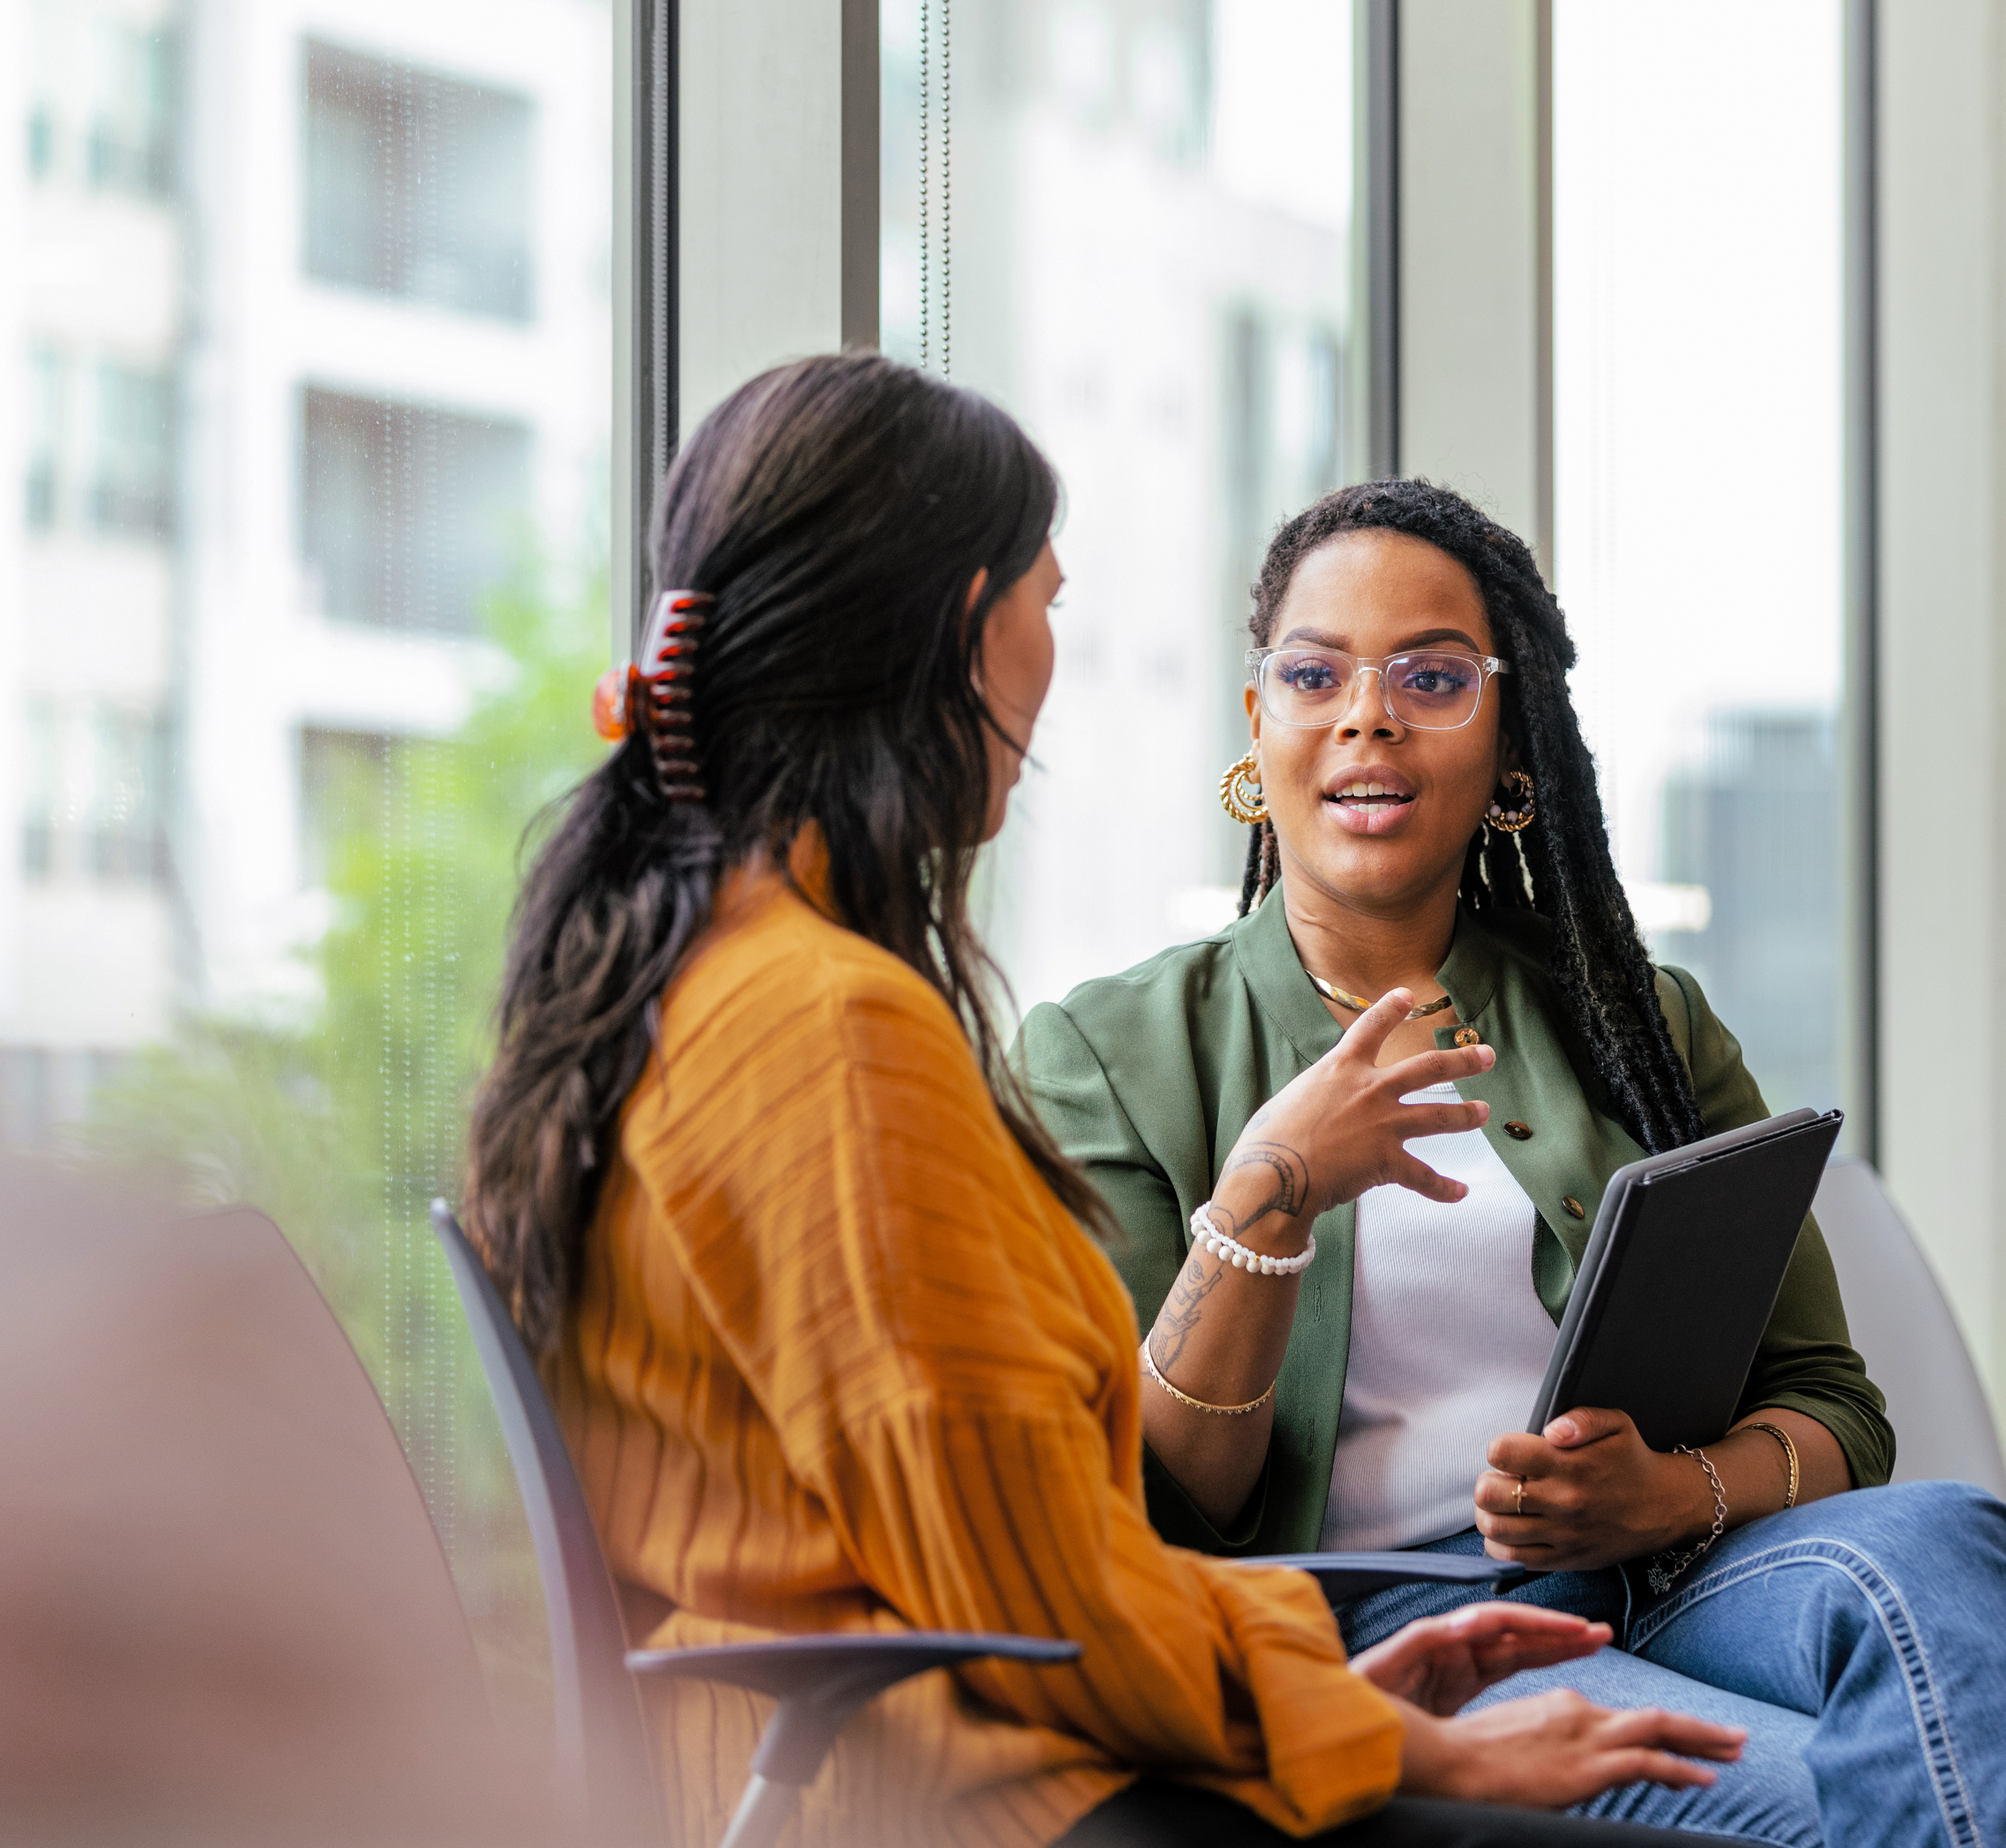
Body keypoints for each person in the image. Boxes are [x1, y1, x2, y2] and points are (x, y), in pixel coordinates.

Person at [458, 355, 1750, 1848]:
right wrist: (1394, 1744)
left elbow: (1025, 1559)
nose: (1366, 723)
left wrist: (1336, 1697)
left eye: (1431, 678)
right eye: (1049, 604)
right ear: (967, 632)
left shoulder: (701, 984)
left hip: (928, 1747)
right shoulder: (830, 1035)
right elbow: (1030, 1589)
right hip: (959, 1795)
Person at [1015, 480, 2006, 1848]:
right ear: (1257, 727)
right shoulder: (1102, 1050)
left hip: (1696, 1572)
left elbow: (1832, 1411)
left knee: (1958, 1543)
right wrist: (1270, 1187)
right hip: (1400, 1617)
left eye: (1431, 676)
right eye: (1312, 673)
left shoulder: (1639, 1023)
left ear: (1511, 750)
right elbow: (1164, 1499)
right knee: (1829, 1810)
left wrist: (1665, 1495)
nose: (1365, 713)